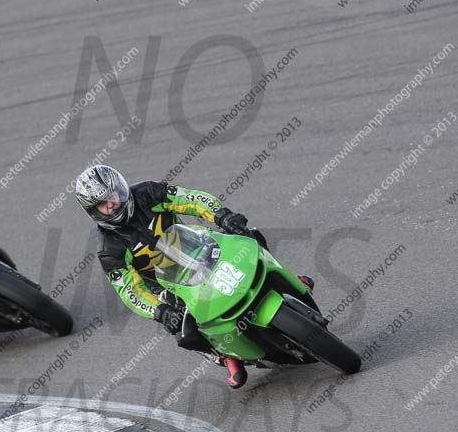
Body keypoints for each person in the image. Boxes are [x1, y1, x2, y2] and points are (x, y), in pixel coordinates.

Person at [75, 165, 315, 388]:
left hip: (197, 246)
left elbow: (190, 199)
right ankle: (226, 354)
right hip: (166, 284)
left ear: (121, 187)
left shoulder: (147, 192)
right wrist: (160, 311)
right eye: (103, 204)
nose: (113, 204)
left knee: (249, 237)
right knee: (183, 330)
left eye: (114, 195)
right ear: (92, 211)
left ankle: (285, 279)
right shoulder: (109, 249)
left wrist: (222, 216)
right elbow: (129, 291)